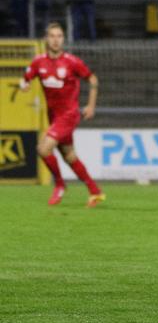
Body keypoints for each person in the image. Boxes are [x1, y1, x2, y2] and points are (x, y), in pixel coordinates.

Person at [19, 22, 104, 207]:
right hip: (54, 116)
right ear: (46, 39)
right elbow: (25, 78)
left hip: (69, 114)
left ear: (63, 39)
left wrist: (90, 105)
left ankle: (59, 184)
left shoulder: (72, 62)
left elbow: (92, 78)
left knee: (43, 149)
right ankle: (95, 191)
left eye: (59, 36)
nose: (56, 40)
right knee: (69, 155)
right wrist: (23, 85)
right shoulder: (38, 62)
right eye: (52, 36)